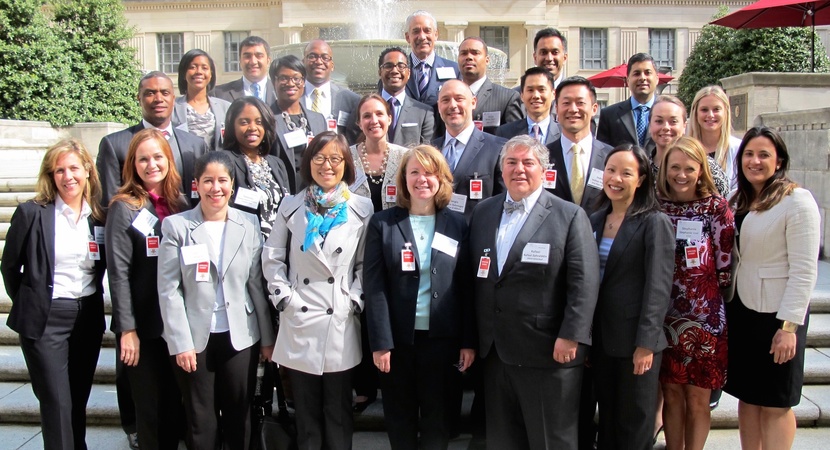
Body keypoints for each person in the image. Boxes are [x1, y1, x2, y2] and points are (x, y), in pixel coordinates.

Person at [469, 135, 600, 450]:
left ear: (544, 170)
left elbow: (584, 282)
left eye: (528, 162)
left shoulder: (568, 215)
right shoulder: (484, 212)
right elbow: (475, 279)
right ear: (502, 170)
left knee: (550, 441)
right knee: (503, 441)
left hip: (548, 353)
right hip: (496, 352)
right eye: (511, 163)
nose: (519, 170)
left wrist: (572, 335)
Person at [262, 131, 373, 450]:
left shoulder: (362, 209)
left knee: (338, 412)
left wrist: (354, 298)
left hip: (338, 318)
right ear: (308, 163)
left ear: (346, 165)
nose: (327, 165)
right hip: (300, 319)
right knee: (307, 414)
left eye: (335, 158)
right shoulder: (291, 206)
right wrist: (284, 297)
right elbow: (272, 256)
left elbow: (366, 263)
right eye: (319, 158)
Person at [157, 151, 276, 450]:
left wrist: (267, 339)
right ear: (196, 185)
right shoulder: (176, 227)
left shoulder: (248, 225)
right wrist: (180, 342)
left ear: (232, 185)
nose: (216, 188)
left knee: (240, 413)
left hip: (241, 335)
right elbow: (170, 290)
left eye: (222, 180)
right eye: (208, 181)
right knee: (201, 418)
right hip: (195, 339)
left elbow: (255, 286)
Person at [364, 144, 476, 449]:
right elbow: (374, 286)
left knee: (438, 422)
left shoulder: (457, 224)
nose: (422, 179)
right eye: (415, 172)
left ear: (441, 178)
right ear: (403, 179)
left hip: (443, 341)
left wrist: (467, 340)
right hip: (397, 343)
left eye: (429, 172)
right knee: (399, 420)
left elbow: (466, 287)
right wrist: (381, 342)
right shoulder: (382, 224)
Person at [1, 139, 107, 450]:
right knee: (57, 402)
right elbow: (10, 268)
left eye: (74, 168)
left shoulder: (98, 216)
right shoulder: (32, 213)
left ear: (87, 170)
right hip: (46, 318)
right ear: (50, 175)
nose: (67, 176)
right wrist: (32, 301)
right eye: (59, 170)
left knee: (75, 400)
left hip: (86, 316)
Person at [724, 126, 820, 450]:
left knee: (776, 403)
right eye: (749, 154)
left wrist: (789, 327)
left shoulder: (797, 200)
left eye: (764, 154)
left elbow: (805, 270)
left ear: (779, 161)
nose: (755, 161)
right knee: (748, 398)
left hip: (777, 318)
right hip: (743, 310)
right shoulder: (740, 199)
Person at [105, 129, 189, 450]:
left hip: (175, 326)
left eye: (157, 157)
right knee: (150, 413)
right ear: (132, 165)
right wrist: (127, 329)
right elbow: (118, 274)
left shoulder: (179, 204)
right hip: (143, 329)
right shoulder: (124, 208)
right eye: (143, 159)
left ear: (168, 160)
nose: (151, 164)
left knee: (173, 408)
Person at [589, 144, 674, 450]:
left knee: (634, 425)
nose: (616, 178)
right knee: (608, 421)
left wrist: (646, 344)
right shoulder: (595, 219)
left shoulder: (654, 222)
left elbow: (658, 287)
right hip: (600, 340)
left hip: (635, 344)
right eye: (611, 170)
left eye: (626, 173)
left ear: (640, 180)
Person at [655, 135, 734, 450]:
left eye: (690, 167)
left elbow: (724, 267)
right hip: (665, 315)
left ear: (701, 169)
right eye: (675, 167)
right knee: (672, 394)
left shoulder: (717, 208)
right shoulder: (657, 204)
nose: (681, 174)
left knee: (699, 398)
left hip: (704, 319)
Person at [98, 71, 209, 204]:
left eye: (165, 93)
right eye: (150, 93)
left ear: (173, 99)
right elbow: (109, 200)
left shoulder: (195, 145)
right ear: (139, 99)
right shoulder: (115, 145)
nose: (158, 99)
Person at [431, 79, 507, 221]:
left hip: (476, 237)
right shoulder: (429, 150)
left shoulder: (498, 149)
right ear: (439, 106)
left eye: (459, 99)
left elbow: (503, 202)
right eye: (445, 100)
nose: (452, 105)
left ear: (473, 102)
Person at [223, 96, 291, 238]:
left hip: (278, 248)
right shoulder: (225, 161)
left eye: (259, 122)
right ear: (232, 125)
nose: (252, 128)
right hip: (246, 246)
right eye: (244, 122)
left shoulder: (277, 163)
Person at [545, 76, 611, 215]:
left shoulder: (610, 157)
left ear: (594, 108)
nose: (573, 109)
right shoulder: (542, 157)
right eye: (566, 103)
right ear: (556, 108)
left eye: (580, 102)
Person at [648, 95, 730, 197]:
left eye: (673, 121)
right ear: (650, 125)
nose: (666, 127)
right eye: (659, 121)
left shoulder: (707, 166)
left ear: (684, 126)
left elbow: (725, 202)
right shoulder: (642, 169)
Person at [269, 54, 327, 191]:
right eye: (283, 78)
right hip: (282, 192)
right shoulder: (266, 119)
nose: (290, 83)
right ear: (273, 82)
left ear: (304, 82)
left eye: (296, 78)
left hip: (314, 192)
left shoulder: (318, 119)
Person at [349, 93, 409, 212]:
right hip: (358, 230)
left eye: (379, 114)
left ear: (389, 119)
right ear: (359, 124)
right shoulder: (347, 157)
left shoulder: (405, 157)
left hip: (395, 229)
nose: (374, 121)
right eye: (367, 116)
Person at [459, 37, 522, 135]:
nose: (469, 57)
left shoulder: (508, 97)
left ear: (487, 60)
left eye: (475, 53)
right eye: (463, 53)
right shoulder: (447, 97)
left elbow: (514, 140)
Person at [302, 39, 361, 143]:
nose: (319, 62)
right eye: (312, 56)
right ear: (303, 62)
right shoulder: (291, 97)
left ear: (332, 65)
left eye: (325, 58)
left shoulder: (351, 100)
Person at [596, 53, 659, 151]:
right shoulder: (609, 115)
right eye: (636, 73)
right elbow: (603, 153)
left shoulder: (669, 113)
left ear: (657, 78)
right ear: (628, 80)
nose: (642, 78)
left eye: (647, 72)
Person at [173, 49, 232, 151]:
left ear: (211, 74)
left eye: (204, 68)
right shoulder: (172, 108)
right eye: (192, 67)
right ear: (183, 73)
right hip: (184, 165)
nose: (199, 72)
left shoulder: (226, 107)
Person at [378, 46, 435, 148]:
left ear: (408, 73)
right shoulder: (364, 109)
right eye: (388, 66)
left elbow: (426, 153)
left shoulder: (424, 113)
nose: (395, 70)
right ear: (380, 72)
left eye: (401, 66)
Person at [688, 85, 742, 191]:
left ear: (725, 112)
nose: (710, 115)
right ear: (695, 113)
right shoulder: (685, 149)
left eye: (716, 109)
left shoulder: (739, 148)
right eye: (704, 110)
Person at [404, 10, 460, 108]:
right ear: (408, 37)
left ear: (436, 34)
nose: (422, 37)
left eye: (427, 31)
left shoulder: (455, 70)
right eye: (416, 31)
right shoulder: (395, 71)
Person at [497, 67, 561, 145]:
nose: (536, 96)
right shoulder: (505, 133)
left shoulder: (564, 133)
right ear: (522, 95)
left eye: (541, 90)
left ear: (553, 94)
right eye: (530, 90)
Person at [213, 36, 277, 110]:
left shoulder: (280, 92)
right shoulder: (219, 94)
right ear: (240, 61)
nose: (253, 62)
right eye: (247, 56)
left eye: (259, 56)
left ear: (268, 61)